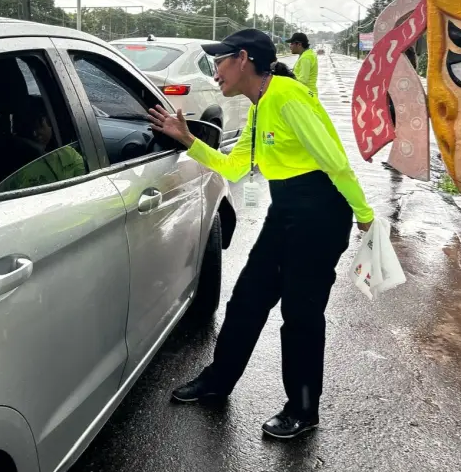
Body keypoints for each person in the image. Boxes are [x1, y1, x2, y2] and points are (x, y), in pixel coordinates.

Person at [147, 28, 374, 439]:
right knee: (248, 299)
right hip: (286, 209)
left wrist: (364, 214)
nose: (215, 71)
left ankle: (303, 409)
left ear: (244, 59)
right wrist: (187, 139)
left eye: (221, 61)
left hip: (321, 212)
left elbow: (335, 161)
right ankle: (218, 380)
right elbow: (235, 168)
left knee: (301, 314)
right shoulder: (259, 105)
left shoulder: (287, 96)